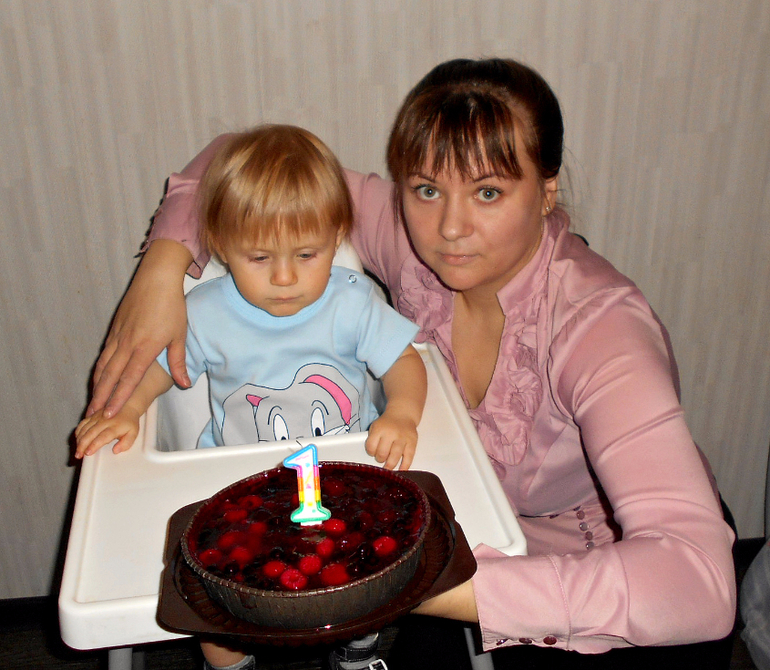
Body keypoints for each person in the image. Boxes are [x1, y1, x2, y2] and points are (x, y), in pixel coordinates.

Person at [86, 59, 736, 666]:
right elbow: (237, 156)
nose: (449, 227)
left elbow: (697, 583)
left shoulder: (600, 327)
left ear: (546, 191)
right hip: (457, 537)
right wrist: (162, 268)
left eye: (488, 192)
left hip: (596, 582)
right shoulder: (407, 237)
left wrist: (404, 584)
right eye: (427, 188)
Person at [75, 124, 427, 670]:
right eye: (259, 258)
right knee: (207, 593)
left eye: (306, 254)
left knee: (371, 560)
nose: (284, 277)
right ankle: (233, 666)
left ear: (337, 237)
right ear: (221, 245)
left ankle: (357, 650)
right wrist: (130, 410)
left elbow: (404, 361)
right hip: (239, 487)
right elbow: (161, 371)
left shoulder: (352, 304)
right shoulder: (207, 312)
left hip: (340, 479)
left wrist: (401, 413)